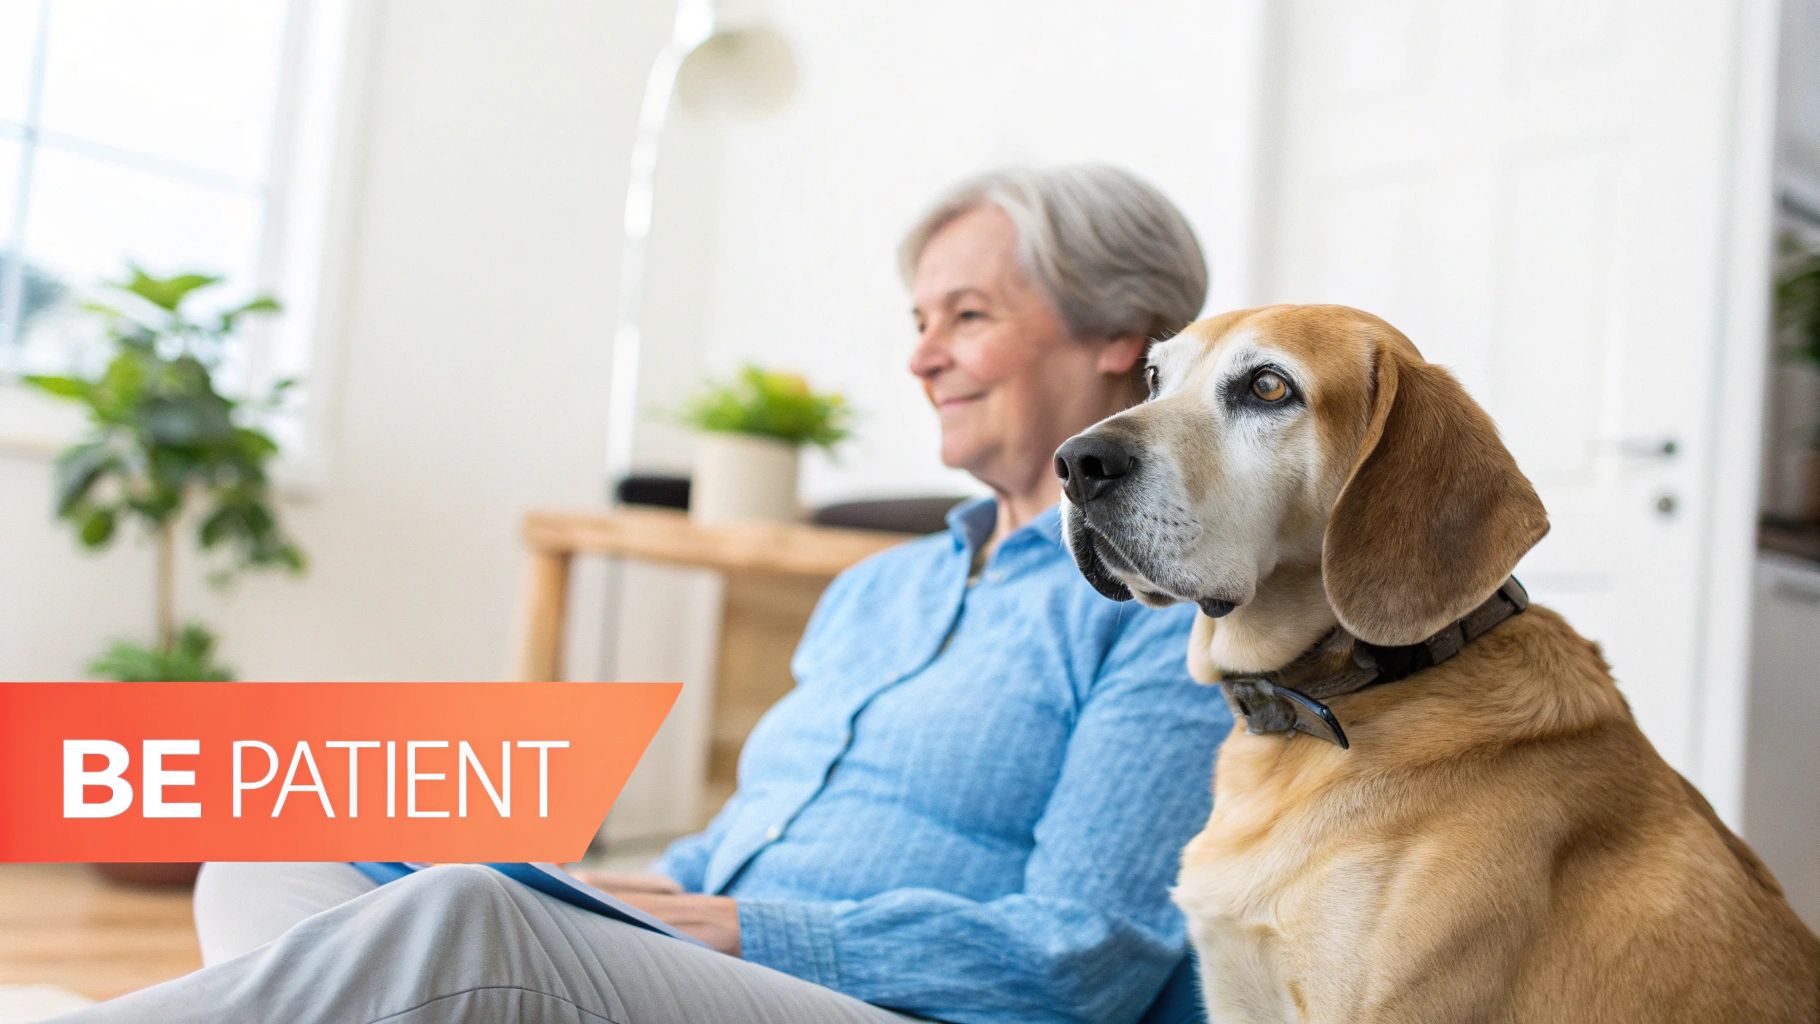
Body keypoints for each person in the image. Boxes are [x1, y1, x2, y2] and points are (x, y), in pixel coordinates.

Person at [54, 164, 1231, 1024]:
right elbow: (741, 839)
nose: (920, 356)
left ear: (1120, 337)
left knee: (463, 920)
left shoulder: (1166, 611)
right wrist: (618, 892)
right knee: (271, 861)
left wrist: (741, 926)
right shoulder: (879, 592)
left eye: (966, 317)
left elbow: (1082, 959)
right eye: (918, 321)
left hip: (889, 1003)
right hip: (708, 964)